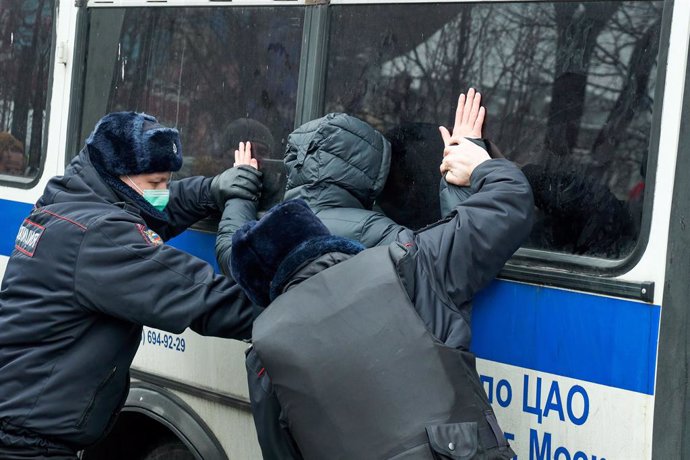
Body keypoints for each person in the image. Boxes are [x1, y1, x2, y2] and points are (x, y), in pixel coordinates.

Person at [221, 100, 534, 458]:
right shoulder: (407, 262)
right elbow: (505, 207)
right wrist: (474, 165)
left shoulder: (263, 350)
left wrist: (237, 193)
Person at [0, 111, 262, 459]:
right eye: (156, 183)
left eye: (168, 181)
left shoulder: (70, 201)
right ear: (116, 176)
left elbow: (150, 207)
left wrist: (211, 190)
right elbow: (202, 298)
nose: (162, 192)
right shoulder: (99, 235)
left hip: (20, 420)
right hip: (29, 445)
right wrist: (290, 311)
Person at [215, 89, 489, 274]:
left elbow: (230, 253)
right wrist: (461, 176)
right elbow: (450, 261)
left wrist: (242, 188)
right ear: (371, 171)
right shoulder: (375, 230)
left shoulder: (277, 224)